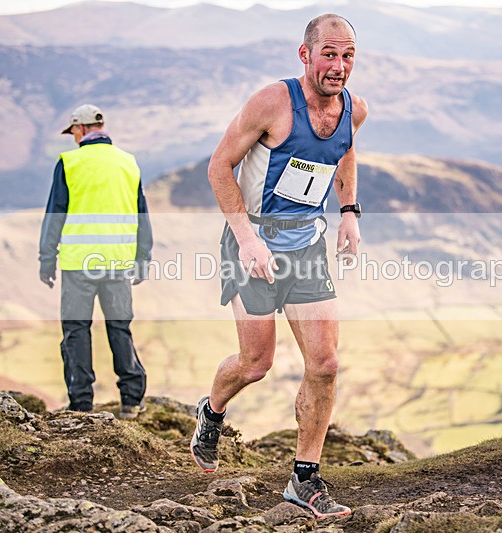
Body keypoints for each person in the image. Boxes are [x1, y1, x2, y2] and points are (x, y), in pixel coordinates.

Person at [190, 14, 368, 519]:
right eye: (329, 54)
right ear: (305, 54)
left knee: (325, 364)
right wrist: (247, 240)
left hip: (306, 247)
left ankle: (304, 480)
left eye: (348, 56)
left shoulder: (354, 109)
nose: (339, 66)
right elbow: (218, 167)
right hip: (252, 245)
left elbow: (344, 152)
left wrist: (349, 212)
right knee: (256, 363)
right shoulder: (273, 102)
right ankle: (212, 411)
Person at [39, 104, 153, 419]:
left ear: (80, 128)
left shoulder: (69, 162)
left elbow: (55, 214)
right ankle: (131, 400)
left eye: (73, 132)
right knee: (120, 327)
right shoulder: (128, 162)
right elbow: (141, 214)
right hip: (118, 261)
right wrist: (143, 257)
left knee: (76, 330)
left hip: (79, 263)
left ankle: (81, 403)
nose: (73, 137)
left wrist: (46, 259)